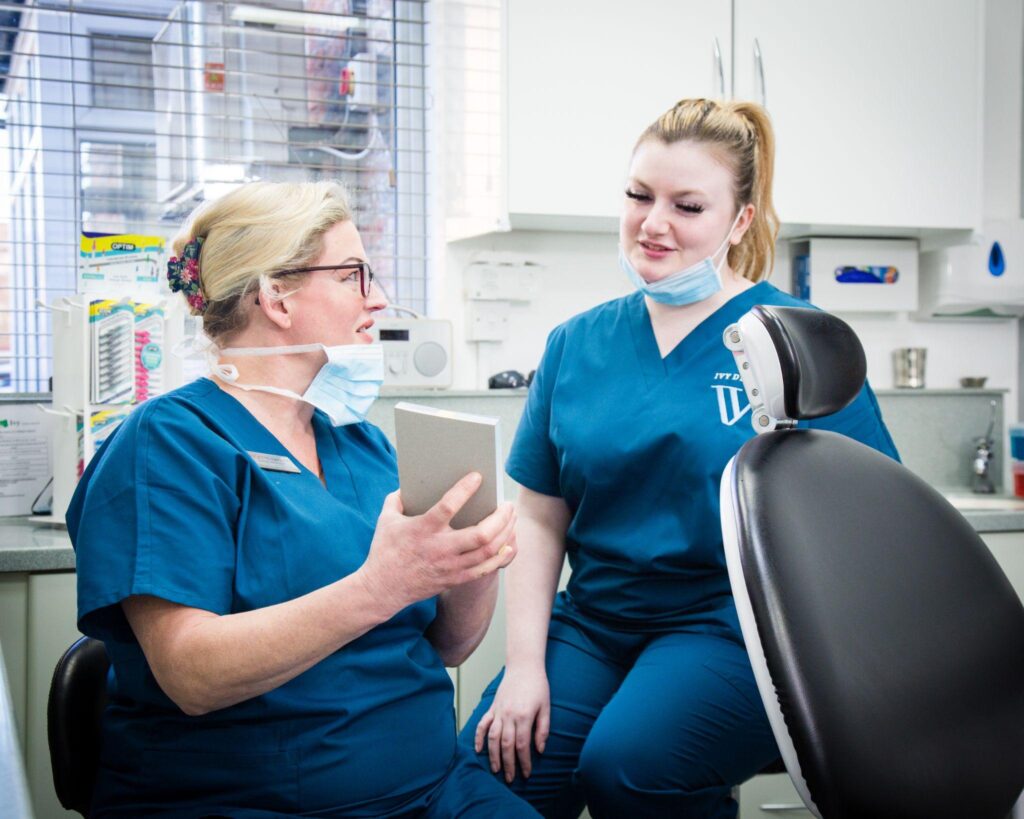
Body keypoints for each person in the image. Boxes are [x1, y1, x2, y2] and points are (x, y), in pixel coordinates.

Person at [457, 98, 900, 818]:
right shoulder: (575, 342)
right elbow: (540, 517)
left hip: (738, 628)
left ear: (740, 220)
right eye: (639, 196)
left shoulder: (797, 342)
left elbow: (873, 516)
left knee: (630, 768)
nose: (653, 222)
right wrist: (526, 664)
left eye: (687, 205)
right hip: (597, 620)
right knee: (488, 773)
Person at [68, 180, 540, 818]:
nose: (378, 299)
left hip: (435, 790)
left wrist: (473, 566)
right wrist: (381, 585)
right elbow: (191, 675)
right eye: (353, 276)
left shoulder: (362, 442)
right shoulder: (167, 444)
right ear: (276, 297)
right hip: (252, 803)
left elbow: (447, 647)